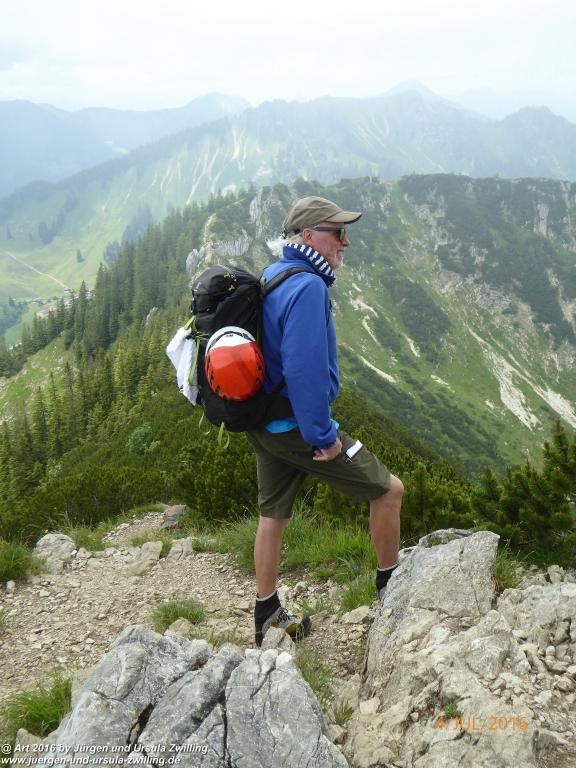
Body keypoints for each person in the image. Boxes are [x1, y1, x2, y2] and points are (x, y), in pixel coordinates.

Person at [246, 195, 403, 647]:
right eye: (338, 232)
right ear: (310, 234)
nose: (345, 242)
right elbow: (304, 371)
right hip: (298, 427)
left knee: (272, 515)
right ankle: (390, 592)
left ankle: (267, 616)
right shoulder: (309, 286)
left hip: (265, 423)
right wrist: (324, 438)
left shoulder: (276, 273)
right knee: (389, 491)